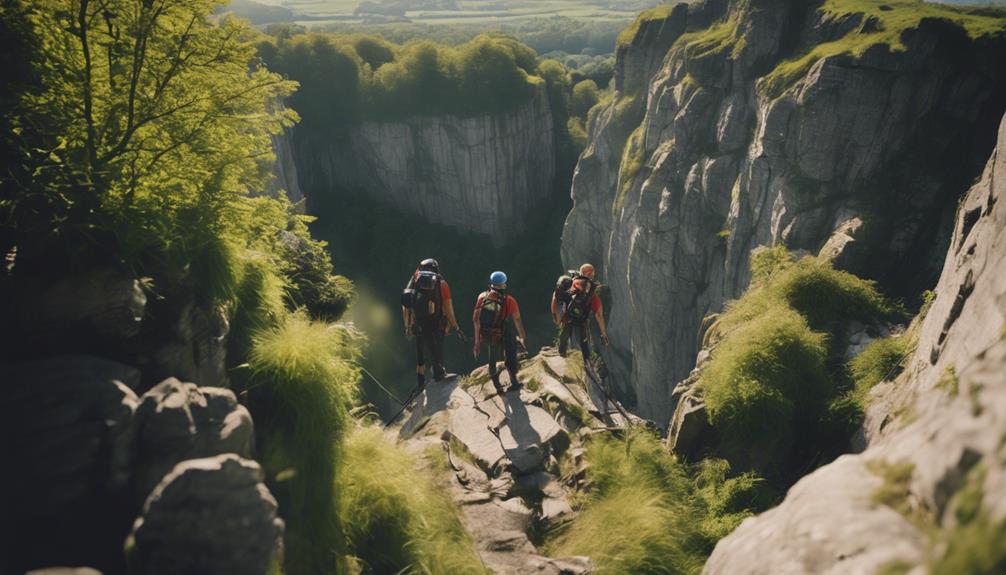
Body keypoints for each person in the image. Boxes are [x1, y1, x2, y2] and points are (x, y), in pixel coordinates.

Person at [402, 258, 461, 389]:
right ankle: (438, 373)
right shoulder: (442, 284)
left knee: (420, 355)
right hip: (436, 321)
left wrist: (407, 325)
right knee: (436, 348)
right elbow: (449, 309)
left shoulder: (414, 281)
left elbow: (406, 306)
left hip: (418, 322)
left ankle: (420, 384)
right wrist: (455, 326)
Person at [473, 270, 527, 394]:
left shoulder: (482, 297)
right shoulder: (509, 300)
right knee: (510, 356)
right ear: (504, 284)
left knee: (492, 359)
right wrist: (522, 337)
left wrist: (477, 341)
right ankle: (514, 382)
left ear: (491, 284)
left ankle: (498, 386)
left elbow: (476, 320)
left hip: (488, 332)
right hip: (505, 331)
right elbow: (517, 319)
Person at [551, 263, 609, 359]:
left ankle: (562, 354)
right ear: (591, 274)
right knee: (584, 342)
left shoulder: (569, 283)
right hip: (582, 319)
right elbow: (599, 315)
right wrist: (603, 333)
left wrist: (555, 316)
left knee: (565, 335)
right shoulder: (591, 293)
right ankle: (587, 360)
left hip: (567, 316)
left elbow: (556, 297)